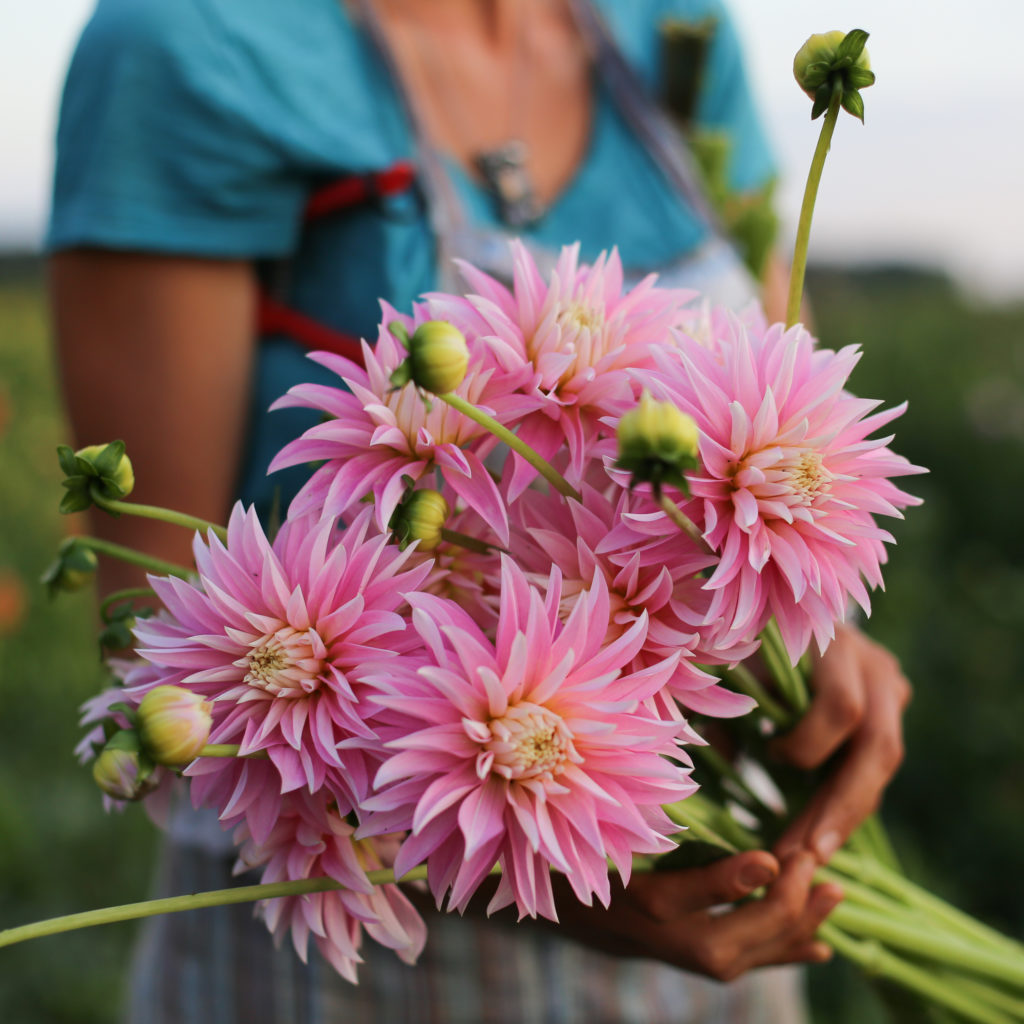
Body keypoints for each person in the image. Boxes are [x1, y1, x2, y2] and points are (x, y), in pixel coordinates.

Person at [48, 0, 911, 1021]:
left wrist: (816, 633)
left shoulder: (674, 30)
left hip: (706, 884)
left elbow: (791, 395)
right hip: (359, 948)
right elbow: (161, 625)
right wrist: (520, 869)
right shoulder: (187, 42)